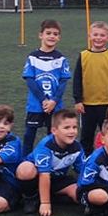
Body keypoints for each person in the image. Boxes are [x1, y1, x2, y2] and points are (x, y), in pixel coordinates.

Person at [16, 109, 84, 216]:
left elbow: (83, 170)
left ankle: (51, 196)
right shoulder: (46, 146)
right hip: (37, 178)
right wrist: (45, 203)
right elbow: (44, 175)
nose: (72, 131)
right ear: (54, 130)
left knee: (80, 194)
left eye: (74, 127)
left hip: (57, 179)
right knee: (25, 169)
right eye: (66, 128)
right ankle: (30, 198)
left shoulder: (77, 147)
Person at [21, 19, 71, 156]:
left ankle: (52, 159)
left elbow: (63, 82)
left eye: (55, 34)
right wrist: (43, 99)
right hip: (35, 105)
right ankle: (25, 161)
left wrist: (54, 100)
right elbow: (30, 80)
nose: (51, 36)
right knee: (29, 134)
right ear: (40, 35)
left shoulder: (61, 59)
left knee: (53, 135)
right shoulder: (33, 57)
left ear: (59, 37)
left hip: (55, 106)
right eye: (48, 33)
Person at [73, 20, 108, 156]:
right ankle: (85, 161)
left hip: (106, 104)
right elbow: (77, 79)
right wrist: (78, 100)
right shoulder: (83, 55)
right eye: (95, 35)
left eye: (102, 35)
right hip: (87, 105)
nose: (98, 38)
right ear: (89, 36)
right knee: (86, 136)